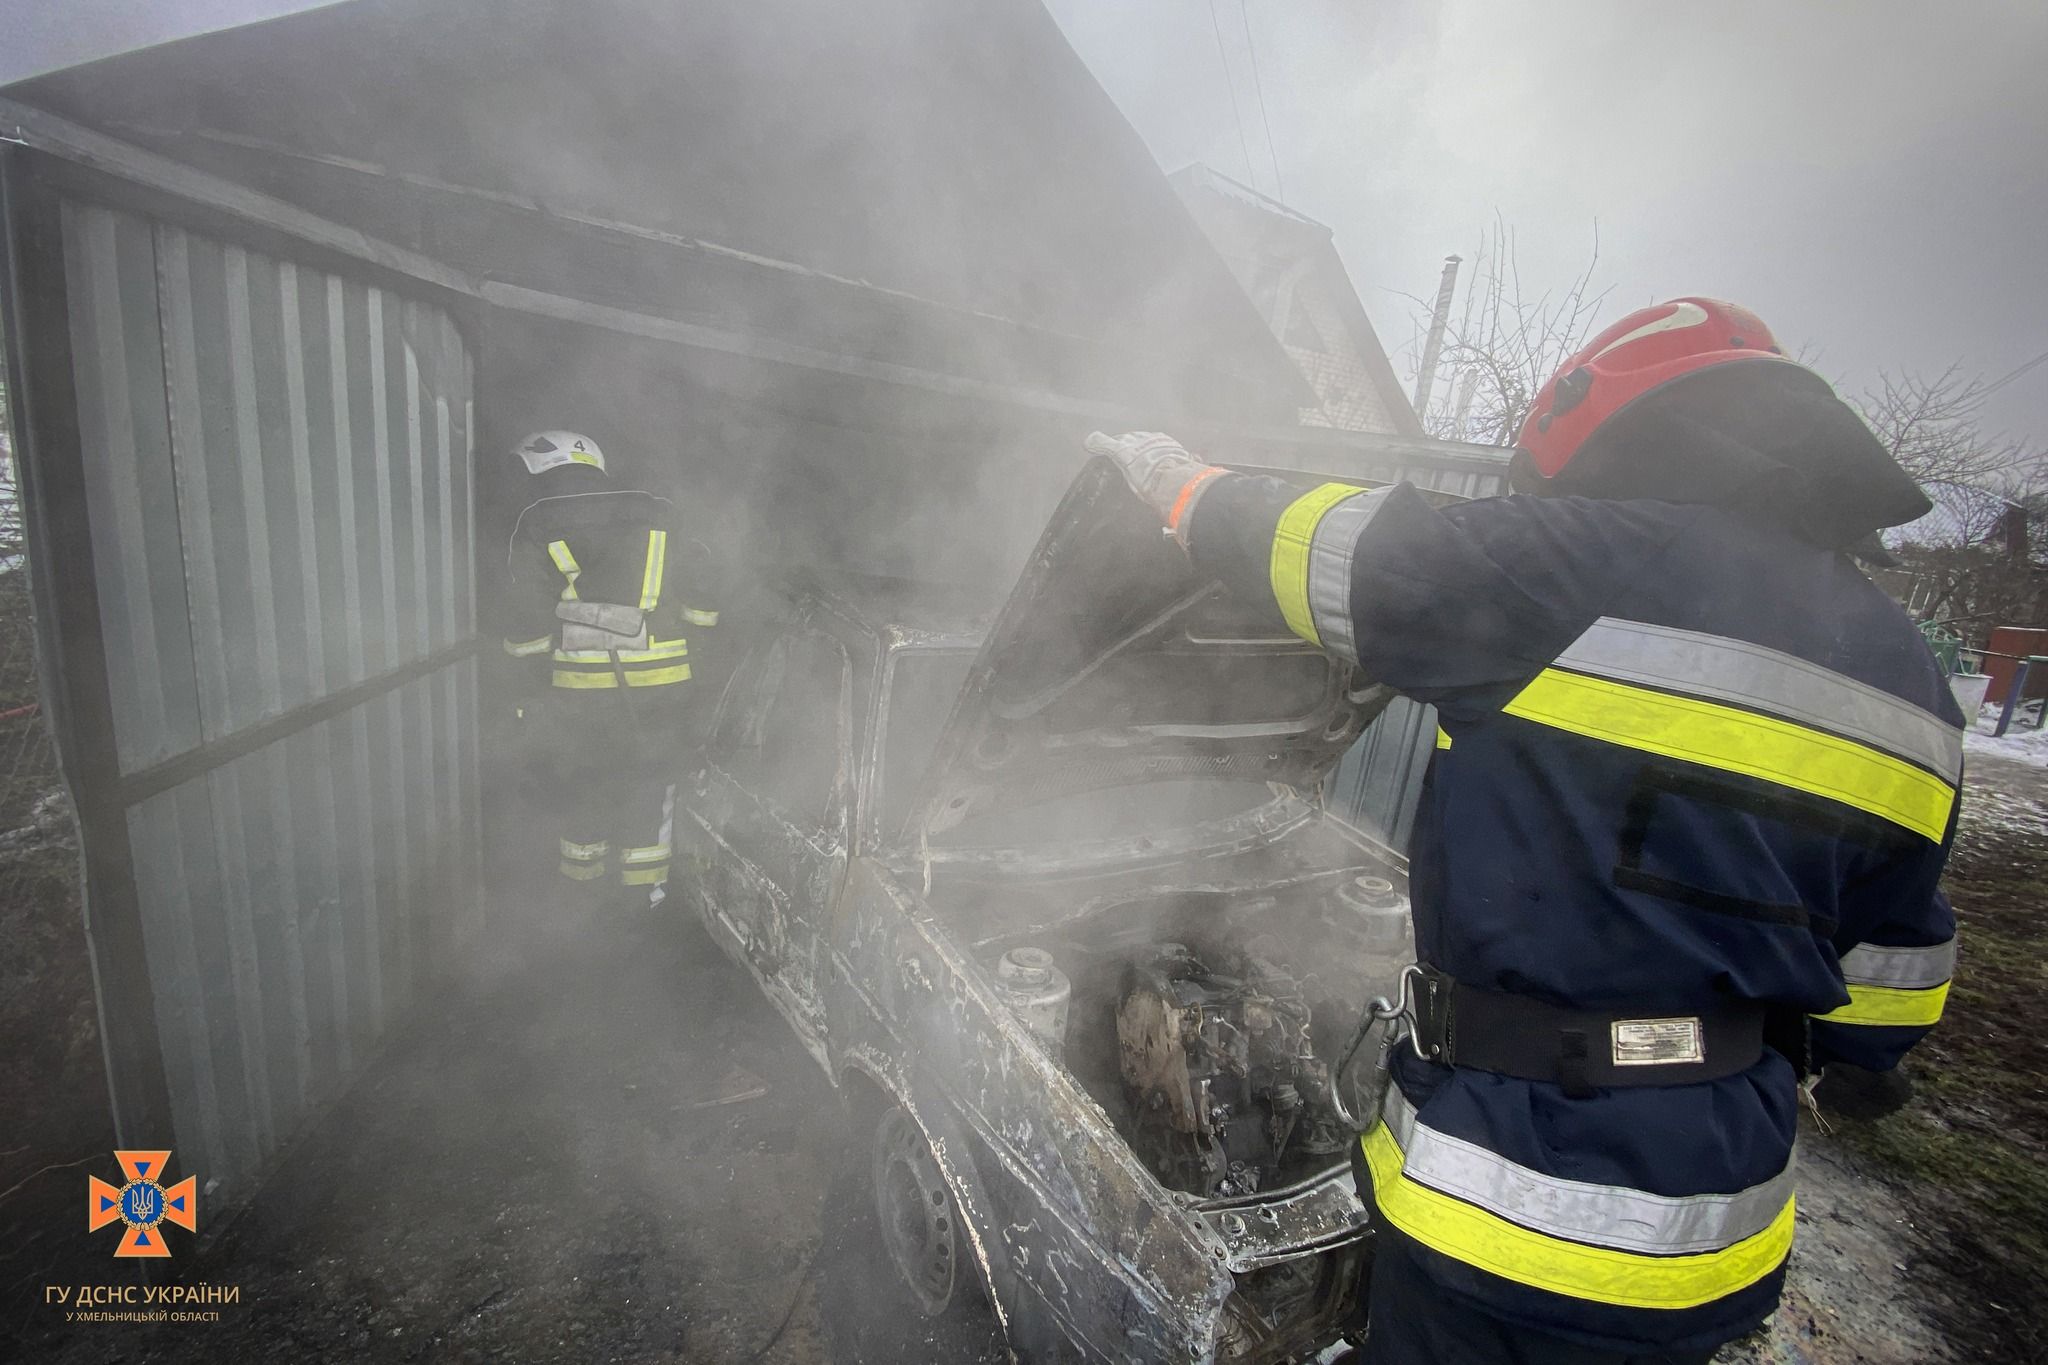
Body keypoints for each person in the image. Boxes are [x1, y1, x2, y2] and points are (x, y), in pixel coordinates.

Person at [1087, 298, 1960, 1365]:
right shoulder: (1913, 681)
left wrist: (1181, 485)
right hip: (1716, 1231)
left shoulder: (1586, 565)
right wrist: (1854, 1065)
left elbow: (1336, 551)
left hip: (1512, 1222)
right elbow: (1892, 972)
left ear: (1611, 431)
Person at [497, 430, 719, 908]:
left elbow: (524, 623)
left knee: (583, 789)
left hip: (579, 697)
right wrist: (698, 652)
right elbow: (704, 589)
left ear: (540, 466)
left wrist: (525, 697)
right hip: (664, 691)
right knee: (651, 789)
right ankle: (648, 901)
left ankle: (583, 901)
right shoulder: (662, 511)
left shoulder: (536, 521)